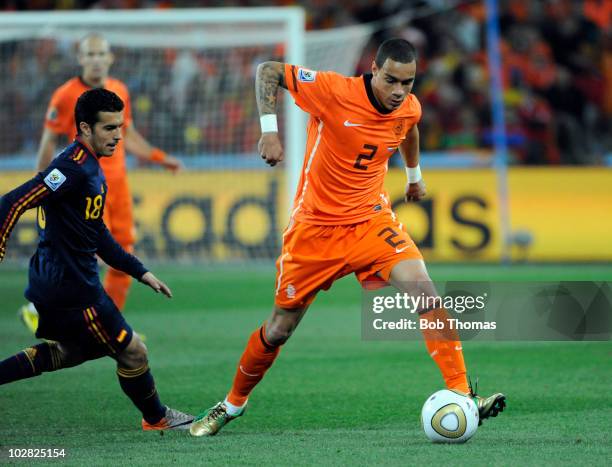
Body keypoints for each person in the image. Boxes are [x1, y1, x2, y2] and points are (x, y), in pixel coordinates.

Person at [190, 38, 505, 437]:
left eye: (407, 83)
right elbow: (268, 70)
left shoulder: (408, 107)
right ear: (373, 70)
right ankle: (231, 405)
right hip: (314, 231)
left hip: (371, 223)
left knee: (426, 293)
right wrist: (269, 131)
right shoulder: (334, 91)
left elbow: (409, 127)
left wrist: (414, 177)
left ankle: (462, 392)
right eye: (390, 80)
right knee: (279, 329)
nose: (398, 91)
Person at [0, 88, 192, 431]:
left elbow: (97, 234)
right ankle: (157, 418)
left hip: (53, 284)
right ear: (85, 128)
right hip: (75, 290)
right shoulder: (72, 168)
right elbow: (12, 202)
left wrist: (139, 271)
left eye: (120, 126)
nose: (118, 136)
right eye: (109, 128)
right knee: (134, 352)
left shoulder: (88, 166)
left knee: (70, 352)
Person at [19, 33, 182, 334]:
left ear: (110, 58)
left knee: (125, 251)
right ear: (80, 58)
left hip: (118, 186)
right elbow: (48, 140)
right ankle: (38, 308)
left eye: (100, 54)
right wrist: (42, 188)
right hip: (86, 185)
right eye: (89, 54)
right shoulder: (66, 95)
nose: (95, 60)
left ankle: (111, 328)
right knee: (92, 254)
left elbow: (128, 136)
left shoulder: (118, 90)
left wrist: (160, 157)